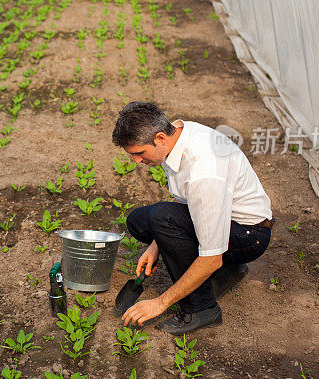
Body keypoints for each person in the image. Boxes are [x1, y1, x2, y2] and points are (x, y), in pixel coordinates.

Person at [112, 101, 274, 334]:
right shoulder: (177, 135)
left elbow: (211, 258)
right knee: (139, 221)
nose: (136, 161)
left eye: (139, 153)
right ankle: (228, 272)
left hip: (248, 234)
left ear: (159, 138)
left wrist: (160, 303)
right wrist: (156, 246)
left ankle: (200, 308)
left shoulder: (204, 172)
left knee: (162, 217)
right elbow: (187, 203)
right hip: (226, 219)